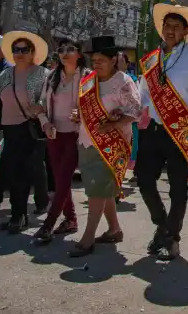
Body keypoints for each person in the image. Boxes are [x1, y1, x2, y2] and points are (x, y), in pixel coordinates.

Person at [137, 3, 188, 261]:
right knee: (144, 180)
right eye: (166, 26)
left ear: (185, 30)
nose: (170, 31)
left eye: (176, 27)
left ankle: (172, 238)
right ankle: (161, 224)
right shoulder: (152, 59)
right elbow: (144, 95)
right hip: (153, 129)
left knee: (177, 188)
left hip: (182, 130)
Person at [71, 36, 140, 257]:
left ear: (113, 60)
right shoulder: (88, 80)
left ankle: (88, 237)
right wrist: (77, 116)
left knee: (96, 191)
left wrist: (114, 125)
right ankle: (114, 229)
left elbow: (136, 112)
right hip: (86, 140)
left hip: (112, 144)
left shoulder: (123, 81)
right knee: (103, 190)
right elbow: (82, 108)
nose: (97, 64)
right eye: (94, 60)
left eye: (101, 59)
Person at [0, 31, 49, 233]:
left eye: (24, 49)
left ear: (32, 52)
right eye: (16, 50)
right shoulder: (5, 74)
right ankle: (18, 214)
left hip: (30, 128)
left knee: (23, 173)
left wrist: (40, 106)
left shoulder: (42, 74)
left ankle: (19, 215)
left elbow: (47, 99)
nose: (19, 53)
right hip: (9, 128)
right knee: (12, 172)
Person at [35, 38, 87, 244]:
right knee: (59, 180)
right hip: (54, 134)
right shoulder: (52, 77)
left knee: (64, 180)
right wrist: (45, 123)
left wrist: (81, 115)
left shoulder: (87, 78)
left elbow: (95, 107)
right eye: (61, 49)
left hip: (76, 135)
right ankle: (71, 219)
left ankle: (48, 224)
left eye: (70, 49)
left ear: (80, 54)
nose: (65, 53)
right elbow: (40, 104)